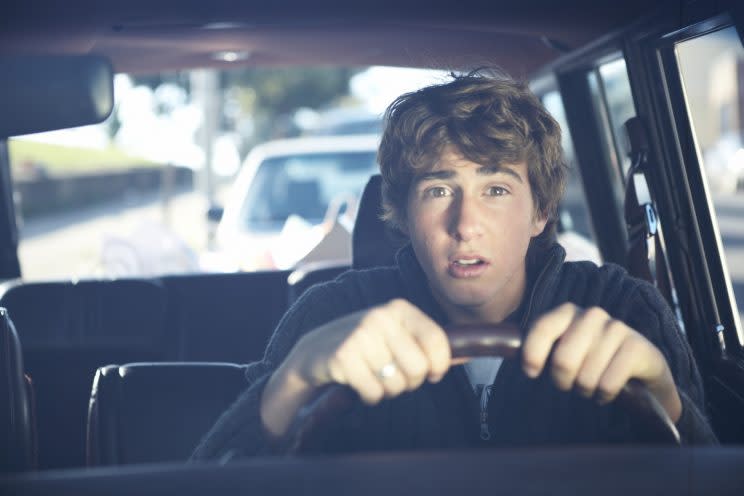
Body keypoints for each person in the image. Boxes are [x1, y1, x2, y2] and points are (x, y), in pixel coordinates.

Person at [192, 71, 716, 460]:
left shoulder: (621, 307)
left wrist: (669, 403)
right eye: (438, 189)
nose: (466, 223)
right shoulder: (330, 314)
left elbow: (714, 474)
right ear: (401, 213)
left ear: (540, 212)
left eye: (495, 189)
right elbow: (204, 478)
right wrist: (291, 382)